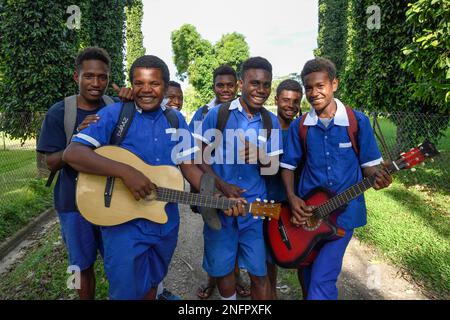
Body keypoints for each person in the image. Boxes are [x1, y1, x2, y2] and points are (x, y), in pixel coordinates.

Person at [63, 55, 245, 300]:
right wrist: (127, 172)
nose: (146, 89)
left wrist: (217, 195)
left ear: (166, 87)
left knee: (153, 283)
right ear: (131, 85)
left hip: (164, 222)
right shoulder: (115, 114)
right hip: (123, 226)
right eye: (139, 83)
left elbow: (189, 167)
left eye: (154, 84)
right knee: (125, 292)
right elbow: (73, 153)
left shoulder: (175, 119)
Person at [280, 57, 392, 300]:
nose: (314, 93)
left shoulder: (356, 122)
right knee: (308, 275)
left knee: (322, 281)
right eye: (308, 88)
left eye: (320, 86)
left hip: (344, 217)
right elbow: (287, 166)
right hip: (309, 216)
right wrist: (291, 197)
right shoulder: (302, 126)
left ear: (334, 84)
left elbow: (371, 168)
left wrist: (379, 178)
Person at [194, 57, 283, 300]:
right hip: (220, 205)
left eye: (266, 85)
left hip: (255, 210)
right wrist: (221, 185)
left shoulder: (270, 122)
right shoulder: (217, 115)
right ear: (241, 83)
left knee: (259, 272)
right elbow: (199, 157)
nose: (261, 90)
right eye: (255, 83)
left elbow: (273, 168)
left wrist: (261, 156)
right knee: (223, 269)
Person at [37, 47, 118, 299]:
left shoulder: (115, 108)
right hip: (73, 202)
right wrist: (77, 141)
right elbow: (48, 163)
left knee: (118, 262)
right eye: (89, 76)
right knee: (81, 266)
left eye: (102, 77)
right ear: (77, 77)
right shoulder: (60, 112)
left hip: (112, 199)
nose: (96, 83)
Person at [189, 65, 251, 299]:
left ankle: (236, 275)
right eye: (219, 85)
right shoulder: (203, 113)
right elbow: (193, 151)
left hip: (235, 183)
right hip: (208, 183)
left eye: (229, 85)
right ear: (213, 86)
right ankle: (211, 278)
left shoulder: (243, 112)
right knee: (213, 228)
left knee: (234, 228)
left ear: (237, 85)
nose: (225, 89)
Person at [264, 79, 302, 299]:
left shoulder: (302, 129)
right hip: (268, 200)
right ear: (276, 100)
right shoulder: (267, 127)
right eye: (286, 100)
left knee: (296, 251)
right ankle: (270, 294)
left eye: (296, 101)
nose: (290, 105)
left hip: (293, 202)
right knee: (267, 255)